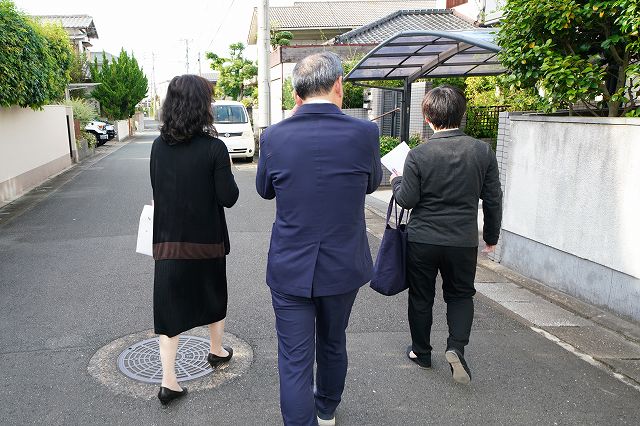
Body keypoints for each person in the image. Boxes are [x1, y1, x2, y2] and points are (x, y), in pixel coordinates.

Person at [256, 52, 382, 425]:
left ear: (296, 94)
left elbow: (265, 189)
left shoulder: (275, 136)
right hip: (343, 265)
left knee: (294, 359)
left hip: (290, 266)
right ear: (339, 85)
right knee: (333, 340)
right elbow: (373, 183)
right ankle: (326, 407)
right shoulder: (365, 133)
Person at [391, 85, 502, 384]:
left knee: (421, 296)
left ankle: (422, 353)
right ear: (462, 114)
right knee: (461, 294)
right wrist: (491, 236)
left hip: (423, 239)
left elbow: (407, 200)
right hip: (462, 240)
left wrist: (397, 180)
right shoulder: (482, 151)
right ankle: (456, 347)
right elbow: (493, 198)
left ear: (427, 117)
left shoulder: (418, 154)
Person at [150, 74, 239, 407]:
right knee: (213, 296)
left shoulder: (158, 146)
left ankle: (168, 381)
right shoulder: (215, 148)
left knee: (169, 310)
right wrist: (225, 167)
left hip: (169, 244)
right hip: (208, 243)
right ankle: (216, 351)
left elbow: (158, 189)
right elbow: (228, 197)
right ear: (202, 106)